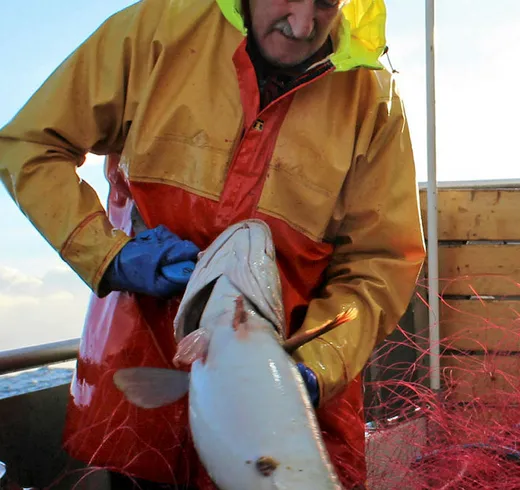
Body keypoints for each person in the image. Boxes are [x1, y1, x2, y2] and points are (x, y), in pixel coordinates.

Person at [0, 0, 426, 488]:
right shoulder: (154, 30)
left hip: (283, 424)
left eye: (327, 2)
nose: (303, 25)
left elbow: (382, 261)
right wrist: (111, 256)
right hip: (141, 398)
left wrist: (314, 367)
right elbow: (29, 144)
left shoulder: (372, 100)